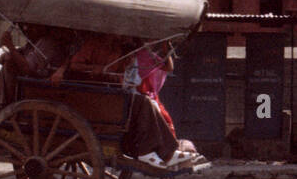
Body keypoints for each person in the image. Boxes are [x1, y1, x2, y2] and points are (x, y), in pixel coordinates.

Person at [52, 32, 197, 171]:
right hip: (93, 94)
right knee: (143, 103)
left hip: (112, 92)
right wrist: (96, 69)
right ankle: (150, 152)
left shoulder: (119, 49)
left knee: (146, 103)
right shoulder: (93, 45)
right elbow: (75, 65)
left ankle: (167, 151)